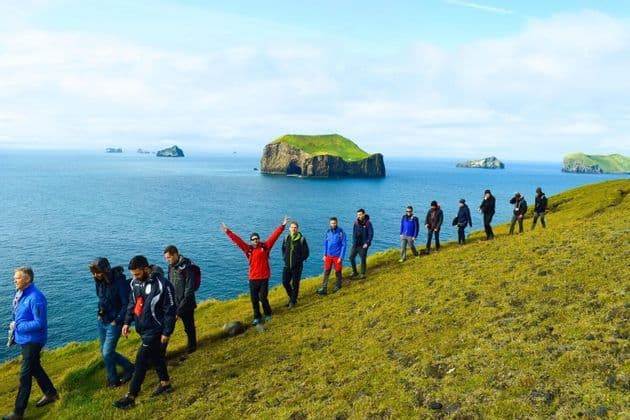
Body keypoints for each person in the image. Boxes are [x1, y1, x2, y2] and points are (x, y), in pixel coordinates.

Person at [113, 256, 176, 410]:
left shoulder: (163, 285)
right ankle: (165, 384)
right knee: (156, 357)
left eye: (137, 274)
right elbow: (132, 303)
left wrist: (167, 332)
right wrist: (127, 322)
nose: (134, 277)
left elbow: (170, 310)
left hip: (156, 329)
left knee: (140, 362)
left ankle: (131, 397)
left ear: (146, 269)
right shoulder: (134, 283)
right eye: (133, 274)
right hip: (142, 327)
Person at [3, 267, 58, 420]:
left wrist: (18, 326)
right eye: (15, 278)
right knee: (35, 368)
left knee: (24, 375)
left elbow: (40, 323)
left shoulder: (36, 298)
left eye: (18, 278)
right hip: (24, 338)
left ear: (27, 279)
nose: (14, 280)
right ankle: (51, 393)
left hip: (33, 341)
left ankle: (18, 412)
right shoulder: (21, 293)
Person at [222, 217, 289, 325]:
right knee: (254, 300)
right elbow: (238, 241)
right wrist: (228, 232)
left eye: (256, 238)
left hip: (264, 277)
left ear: (259, 239)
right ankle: (257, 317)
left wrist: (283, 225)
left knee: (263, 298)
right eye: (253, 239)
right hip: (253, 278)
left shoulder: (266, 246)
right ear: (251, 241)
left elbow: (274, 236)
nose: (255, 240)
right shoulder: (248, 249)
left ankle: (267, 314)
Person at [89, 258, 134, 388]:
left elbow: (126, 304)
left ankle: (130, 367)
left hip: (114, 322)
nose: (95, 275)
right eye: (94, 273)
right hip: (102, 320)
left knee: (107, 352)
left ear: (105, 270)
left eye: (98, 272)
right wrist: (99, 313)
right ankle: (112, 379)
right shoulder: (99, 281)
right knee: (104, 352)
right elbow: (101, 299)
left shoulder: (120, 282)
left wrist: (117, 320)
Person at [163, 245, 197, 354]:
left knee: (189, 327)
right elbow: (168, 284)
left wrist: (179, 309)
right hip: (173, 303)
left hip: (186, 303)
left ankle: (192, 346)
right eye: (166, 258)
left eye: (168, 257)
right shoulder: (171, 266)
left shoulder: (188, 267)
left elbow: (189, 290)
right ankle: (160, 353)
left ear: (176, 255)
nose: (167, 260)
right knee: (166, 328)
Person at [281, 221, 310, 308]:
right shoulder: (286, 238)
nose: (293, 229)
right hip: (287, 265)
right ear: (289, 228)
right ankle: (292, 298)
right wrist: (285, 258)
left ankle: (292, 301)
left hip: (297, 266)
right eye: (292, 227)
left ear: (297, 229)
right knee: (285, 282)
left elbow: (306, 253)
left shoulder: (301, 239)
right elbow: (283, 249)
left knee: (295, 284)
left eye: (295, 227)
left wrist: (298, 261)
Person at [316, 217, 347, 295]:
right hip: (329, 256)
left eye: (334, 223)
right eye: (332, 223)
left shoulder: (341, 233)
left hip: (337, 256)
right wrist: (324, 254)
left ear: (337, 223)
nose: (333, 224)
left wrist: (341, 257)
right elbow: (325, 244)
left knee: (338, 271)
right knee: (326, 271)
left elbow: (344, 245)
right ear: (330, 224)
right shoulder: (328, 232)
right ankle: (324, 288)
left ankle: (338, 286)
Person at [349, 208, 374, 279]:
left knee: (363, 258)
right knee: (351, 257)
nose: (359, 216)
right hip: (356, 244)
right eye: (358, 215)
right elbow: (354, 233)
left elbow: (371, 234)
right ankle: (355, 272)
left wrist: (367, 243)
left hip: (363, 245)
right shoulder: (356, 222)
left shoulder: (368, 223)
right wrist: (353, 241)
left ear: (364, 214)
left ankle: (363, 273)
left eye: (360, 214)